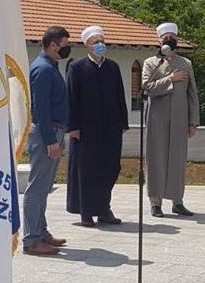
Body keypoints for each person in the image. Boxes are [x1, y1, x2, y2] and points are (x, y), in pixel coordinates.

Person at [66, 25, 129, 227]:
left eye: (102, 41)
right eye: (96, 42)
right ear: (87, 46)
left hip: (110, 128)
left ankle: (104, 209)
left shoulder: (113, 67)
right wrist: (73, 126)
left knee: (109, 168)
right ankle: (86, 212)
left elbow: (120, 96)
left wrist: (123, 122)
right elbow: (71, 99)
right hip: (86, 130)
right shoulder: (77, 68)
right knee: (87, 170)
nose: (100, 45)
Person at [22, 26, 72, 256]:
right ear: (53, 45)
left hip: (55, 131)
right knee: (37, 188)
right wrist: (51, 140)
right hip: (46, 133)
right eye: (64, 44)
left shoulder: (52, 66)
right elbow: (40, 109)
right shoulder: (42, 70)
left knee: (45, 187)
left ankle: (41, 232)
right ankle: (31, 240)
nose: (66, 48)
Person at [141, 22, 199, 217]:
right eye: (165, 39)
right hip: (157, 118)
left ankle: (177, 201)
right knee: (155, 158)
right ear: (159, 41)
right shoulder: (151, 63)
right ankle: (155, 202)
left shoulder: (186, 63)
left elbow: (193, 94)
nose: (169, 42)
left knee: (177, 159)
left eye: (172, 38)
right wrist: (170, 79)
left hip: (180, 118)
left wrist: (193, 121)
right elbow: (147, 87)